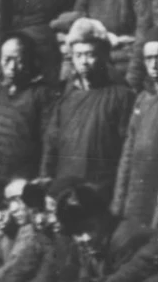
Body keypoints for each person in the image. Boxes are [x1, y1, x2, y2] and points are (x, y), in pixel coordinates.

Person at [41, 24, 134, 204]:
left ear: (104, 56)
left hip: (100, 190)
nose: (84, 61)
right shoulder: (66, 100)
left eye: (90, 55)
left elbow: (126, 150)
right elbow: (50, 146)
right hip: (65, 190)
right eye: (78, 55)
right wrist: (46, 182)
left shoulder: (122, 96)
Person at [109, 27, 158, 226]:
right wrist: (119, 203)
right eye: (148, 58)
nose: (153, 64)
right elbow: (128, 151)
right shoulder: (142, 99)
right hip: (136, 192)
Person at [0, 35, 57, 217]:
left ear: (30, 61)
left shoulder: (42, 94)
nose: (12, 67)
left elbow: (48, 141)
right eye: (7, 60)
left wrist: (41, 179)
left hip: (20, 180)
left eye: (19, 61)